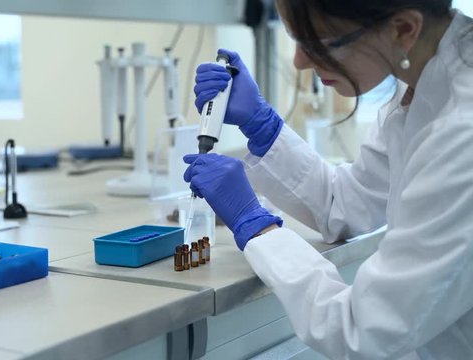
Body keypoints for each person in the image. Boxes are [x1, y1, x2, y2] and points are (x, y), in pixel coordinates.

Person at [183, 1, 473, 359]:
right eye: (296, 39)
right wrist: (262, 126)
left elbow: (361, 330)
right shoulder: (419, 79)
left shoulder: (463, 134)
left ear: (403, 29)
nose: (299, 62)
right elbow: (346, 204)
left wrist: (255, 226)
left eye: (319, 42)